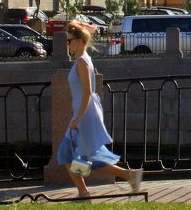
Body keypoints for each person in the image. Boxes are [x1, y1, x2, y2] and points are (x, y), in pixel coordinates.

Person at [57, 21, 143, 198]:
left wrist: (78, 119)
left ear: (80, 41)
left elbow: (88, 91)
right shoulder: (82, 61)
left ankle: (85, 192)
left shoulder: (82, 61)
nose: (68, 44)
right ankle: (126, 176)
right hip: (83, 114)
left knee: (70, 154)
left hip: (84, 116)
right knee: (79, 156)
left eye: (69, 40)